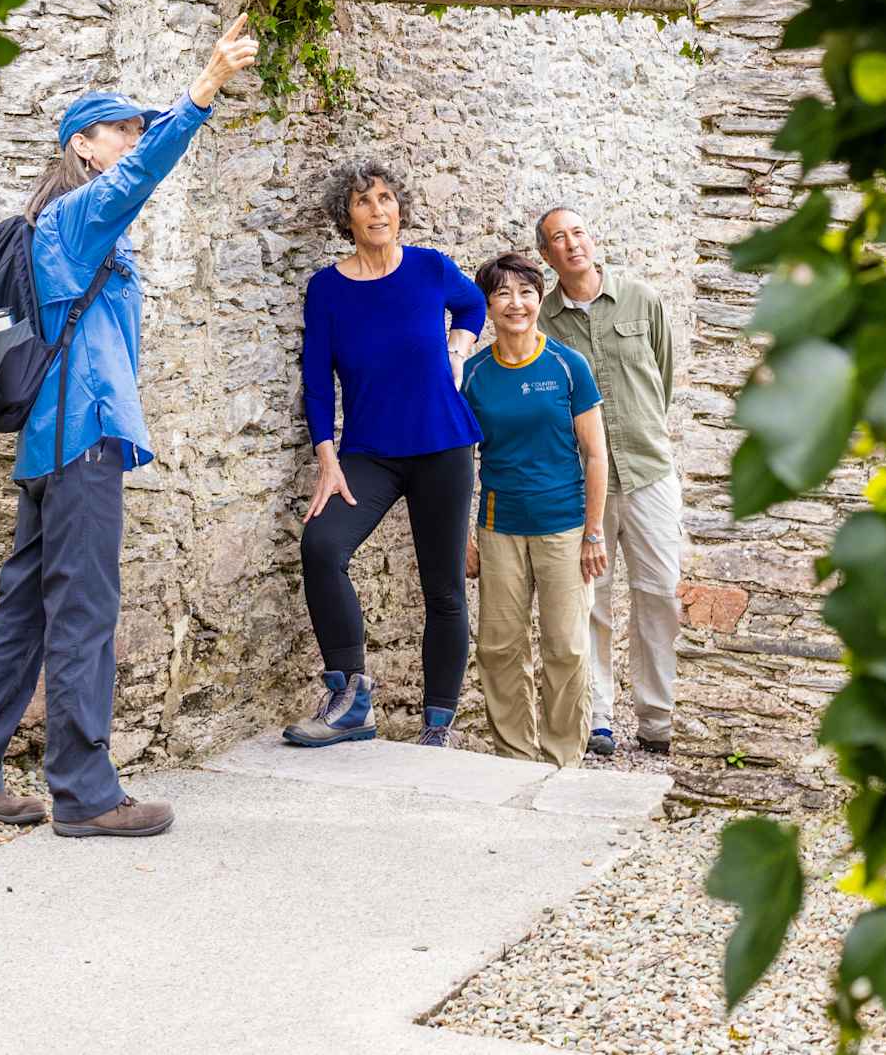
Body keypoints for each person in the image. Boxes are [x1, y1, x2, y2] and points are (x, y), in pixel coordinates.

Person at [0, 12, 258, 839]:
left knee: (25, 609)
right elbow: (142, 174)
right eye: (120, 129)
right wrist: (201, 92)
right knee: (84, 610)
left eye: (136, 127)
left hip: (54, 440)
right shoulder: (75, 218)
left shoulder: (69, 230)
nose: (132, 137)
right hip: (80, 441)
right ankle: (83, 789)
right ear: (84, 146)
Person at [285, 158, 487, 751]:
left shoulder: (429, 267)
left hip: (444, 444)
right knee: (322, 546)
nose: (378, 211)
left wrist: (458, 345)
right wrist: (327, 456)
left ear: (400, 208)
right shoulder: (326, 288)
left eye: (385, 199)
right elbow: (317, 378)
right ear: (345, 218)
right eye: (364, 202)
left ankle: (437, 726)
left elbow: (472, 304)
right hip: (369, 452)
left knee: (443, 587)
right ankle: (351, 698)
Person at [536, 207, 681, 760]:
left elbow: (661, 376)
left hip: (648, 473)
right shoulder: (545, 324)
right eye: (558, 239)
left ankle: (657, 716)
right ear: (548, 256)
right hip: (584, 484)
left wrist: (643, 434)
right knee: (590, 601)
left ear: (591, 241)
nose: (571, 245)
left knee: (660, 593)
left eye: (578, 232)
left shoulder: (641, 298)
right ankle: (598, 718)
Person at [462, 255, 608, 768]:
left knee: (566, 647)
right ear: (488, 306)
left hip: (565, 527)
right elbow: (459, 461)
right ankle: (515, 756)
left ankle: (562, 757)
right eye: (502, 294)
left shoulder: (569, 365)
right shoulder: (474, 374)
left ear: (538, 298)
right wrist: (464, 536)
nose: (515, 304)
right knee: (499, 648)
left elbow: (595, 453)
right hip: (500, 528)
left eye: (525, 292)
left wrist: (595, 533)